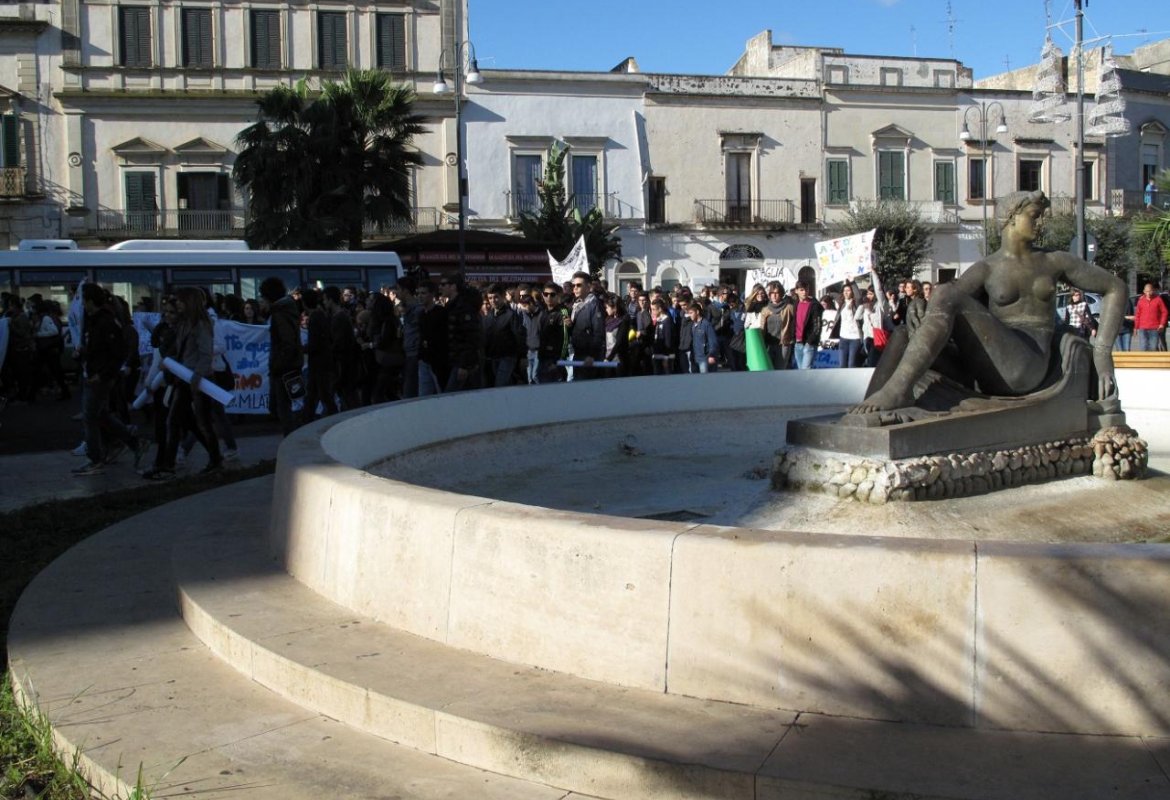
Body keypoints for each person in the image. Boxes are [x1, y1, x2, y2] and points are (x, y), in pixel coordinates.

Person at [850, 191, 1126, 415]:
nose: (1040, 223)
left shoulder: (1055, 260)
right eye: (1034, 216)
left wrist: (1102, 354)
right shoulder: (987, 268)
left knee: (946, 293)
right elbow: (943, 303)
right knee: (901, 334)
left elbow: (1116, 288)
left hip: (1027, 367)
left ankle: (899, 390)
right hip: (989, 366)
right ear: (1011, 218)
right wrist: (917, 305)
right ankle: (867, 408)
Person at [73, 283, 144, 475]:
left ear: (90, 301)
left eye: (82, 300)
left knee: (90, 417)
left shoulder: (106, 322)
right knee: (100, 415)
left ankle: (95, 458)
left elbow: (116, 353)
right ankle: (132, 441)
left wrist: (102, 374)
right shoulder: (92, 320)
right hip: (92, 373)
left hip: (100, 377)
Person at [259, 276, 303, 436]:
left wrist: (278, 365)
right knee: (281, 406)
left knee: (281, 407)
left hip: (283, 368)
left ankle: (290, 441)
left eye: (262, 298)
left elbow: (287, 342)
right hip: (287, 366)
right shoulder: (287, 309)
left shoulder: (279, 314)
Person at [440, 275, 483, 392]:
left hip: (463, 362)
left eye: (444, 284)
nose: (440, 287)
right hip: (455, 360)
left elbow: (471, 337)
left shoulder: (463, 308)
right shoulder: (452, 306)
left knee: (452, 396)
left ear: (453, 286)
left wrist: (464, 365)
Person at [482, 283, 524, 388]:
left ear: (502, 297)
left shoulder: (511, 315)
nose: (493, 300)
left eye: (496, 297)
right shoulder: (489, 316)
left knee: (500, 385)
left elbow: (519, 337)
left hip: (507, 357)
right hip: (491, 358)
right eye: (490, 298)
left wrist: (522, 356)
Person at [568, 271, 605, 380]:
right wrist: (570, 326)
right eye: (573, 285)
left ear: (588, 286)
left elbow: (598, 332)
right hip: (578, 354)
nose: (575, 288)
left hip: (589, 357)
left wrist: (592, 356)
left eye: (579, 285)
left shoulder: (594, 304)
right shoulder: (577, 306)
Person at [416, 280, 449, 395]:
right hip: (424, 360)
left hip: (438, 361)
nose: (420, 296)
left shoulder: (441, 313)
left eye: (423, 293)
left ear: (432, 295)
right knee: (424, 396)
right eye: (418, 293)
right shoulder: (421, 315)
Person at [758, 281, 793, 370]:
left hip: (783, 344)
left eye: (776, 293)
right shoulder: (765, 309)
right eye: (772, 293)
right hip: (768, 344)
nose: (774, 295)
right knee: (768, 369)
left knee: (780, 370)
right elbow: (762, 327)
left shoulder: (789, 307)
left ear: (781, 294)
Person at [792, 281, 823, 369]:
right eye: (801, 290)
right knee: (801, 372)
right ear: (796, 291)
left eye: (806, 290)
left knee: (806, 370)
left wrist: (810, 341)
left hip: (809, 344)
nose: (804, 292)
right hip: (798, 343)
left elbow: (817, 325)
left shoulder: (814, 305)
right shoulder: (795, 304)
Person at [1130, 282, 1168, 352]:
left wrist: (1162, 324)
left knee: (1153, 348)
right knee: (1143, 348)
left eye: (1150, 291)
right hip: (1142, 328)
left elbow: (1164, 312)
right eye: (1147, 291)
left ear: (1153, 291)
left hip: (1154, 328)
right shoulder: (1140, 301)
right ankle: (1143, 363)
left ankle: (1153, 363)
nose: (1148, 293)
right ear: (1144, 291)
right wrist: (1135, 328)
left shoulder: (1158, 299)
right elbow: (1137, 315)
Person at [836, 283, 865, 368]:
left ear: (852, 292)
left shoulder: (856, 303)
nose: (846, 292)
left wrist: (853, 283)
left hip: (855, 338)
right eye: (844, 291)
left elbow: (859, 297)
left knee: (851, 364)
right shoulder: (842, 303)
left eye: (848, 290)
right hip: (843, 337)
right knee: (842, 365)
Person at [686, 301, 718, 373]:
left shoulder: (706, 324)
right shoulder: (693, 325)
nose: (689, 315)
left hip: (705, 358)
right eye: (689, 313)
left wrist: (711, 355)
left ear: (697, 312)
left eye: (691, 313)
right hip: (695, 358)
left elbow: (713, 341)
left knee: (705, 380)